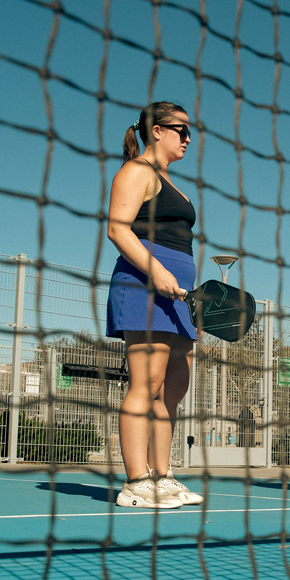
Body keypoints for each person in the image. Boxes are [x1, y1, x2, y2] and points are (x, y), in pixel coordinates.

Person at [106, 102, 203, 509]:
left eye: (189, 131)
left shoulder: (169, 181)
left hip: (177, 295)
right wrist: (158, 272)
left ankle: (163, 476)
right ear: (156, 131)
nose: (187, 138)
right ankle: (134, 481)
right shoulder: (136, 171)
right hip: (145, 285)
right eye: (180, 129)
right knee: (146, 383)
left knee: (173, 388)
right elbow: (117, 227)